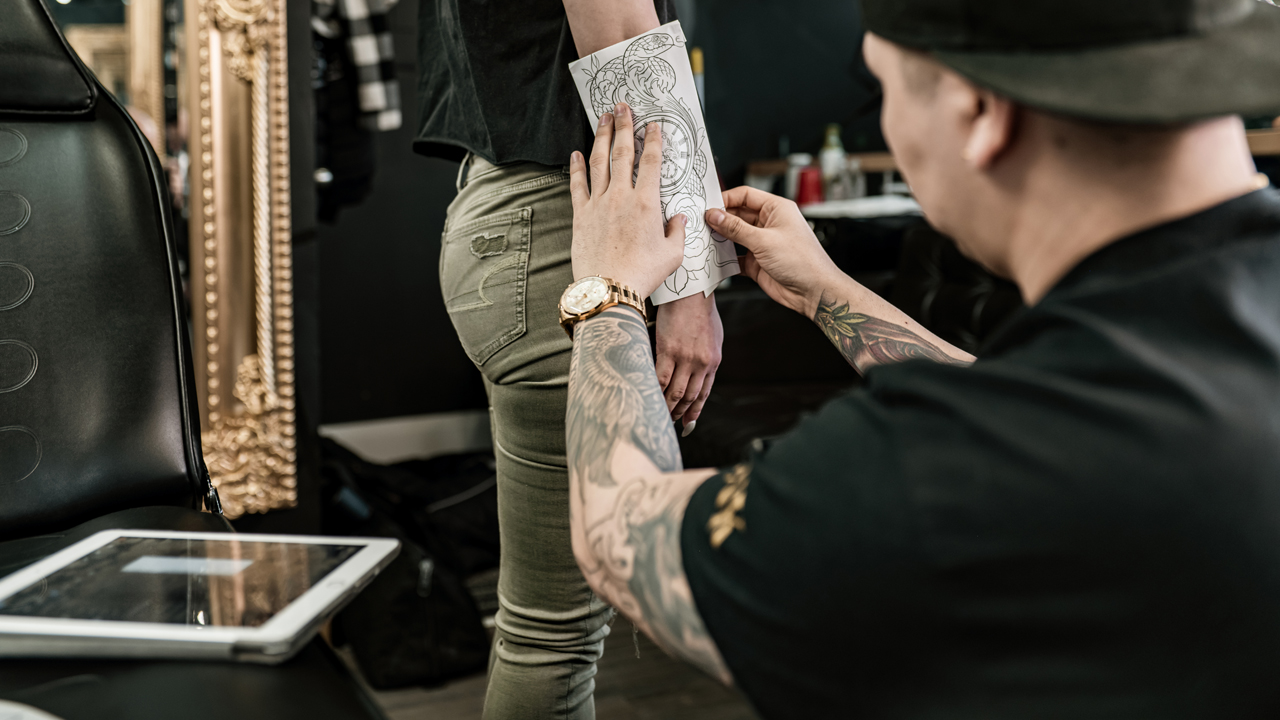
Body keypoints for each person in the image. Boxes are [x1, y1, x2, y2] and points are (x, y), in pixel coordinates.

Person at [559, 0, 1280, 717]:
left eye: (885, 87)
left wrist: (610, 294)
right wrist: (830, 293)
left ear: (978, 111)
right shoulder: (1145, 398)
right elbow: (1037, 416)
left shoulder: (932, 481)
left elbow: (617, 529)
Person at [414, 1, 724, 717]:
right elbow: (625, 46)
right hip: (568, 228)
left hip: (513, 218)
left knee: (546, 633)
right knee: (553, 639)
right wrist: (687, 284)